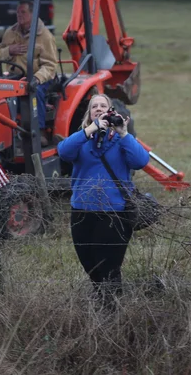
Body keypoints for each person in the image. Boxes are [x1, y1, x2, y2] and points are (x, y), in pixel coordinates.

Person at [56, 94, 150, 307]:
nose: (98, 108)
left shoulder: (121, 141)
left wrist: (124, 134)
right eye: (94, 107)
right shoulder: (82, 139)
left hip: (114, 212)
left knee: (109, 266)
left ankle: (112, 307)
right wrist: (90, 130)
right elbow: (63, 152)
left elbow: (141, 161)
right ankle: (102, 302)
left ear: (112, 111)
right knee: (88, 263)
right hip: (82, 210)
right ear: (90, 114)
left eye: (103, 106)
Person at [0, 0, 59, 145]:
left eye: (23, 12)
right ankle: (6, 131)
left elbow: (49, 65)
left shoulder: (45, 36)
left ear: (33, 14)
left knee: (35, 92)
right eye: (18, 12)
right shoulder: (10, 32)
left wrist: (36, 78)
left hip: (39, 77)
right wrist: (9, 51)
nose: (19, 15)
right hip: (15, 75)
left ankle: (40, 131)